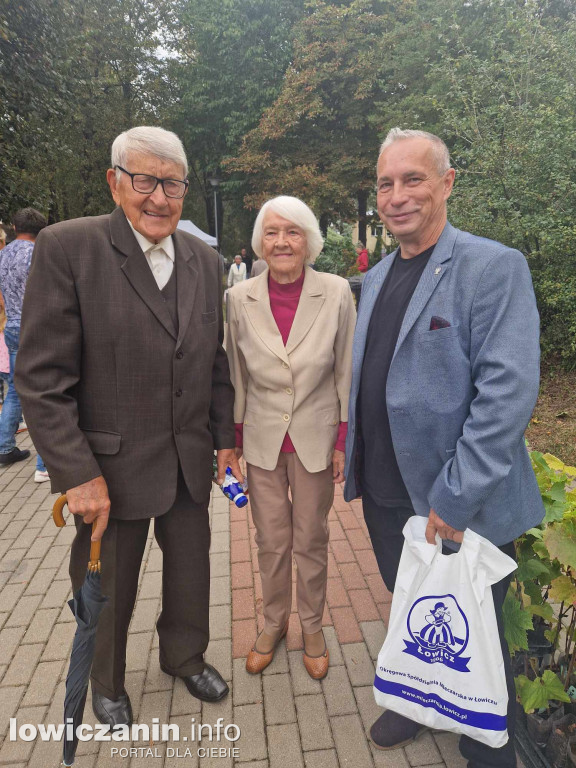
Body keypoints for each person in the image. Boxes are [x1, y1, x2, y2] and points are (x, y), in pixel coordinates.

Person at [16, 126, 242, 727]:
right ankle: (105, 678)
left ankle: (184, 656)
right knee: (107, 585)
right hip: (107, 471)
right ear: (115, 182)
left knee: (192, 572)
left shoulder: (205, 260)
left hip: (188, 460)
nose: (159, 198)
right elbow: (41, 380)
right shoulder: (70, 248)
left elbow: (213, 362)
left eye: (172, 184)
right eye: (144, 180)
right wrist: (76, 474)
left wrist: (225, 443)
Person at [344, 128, 544, 766]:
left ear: (447, 183)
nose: (397, 196)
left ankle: (487, 740)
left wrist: (454, 499)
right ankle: (415, 700)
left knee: (474, 628)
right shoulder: (374, 279)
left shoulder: (492, 267)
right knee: (409, 605)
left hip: (459, 500)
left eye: (413, 179)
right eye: (386, 183)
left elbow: (505, 396)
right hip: (385, 491)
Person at [226, 196, 356, 679]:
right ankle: (273, 622)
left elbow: (345, 369)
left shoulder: (337, 292)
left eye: (293, 232)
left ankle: (313, 626)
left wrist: (344, 440)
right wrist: (231, 441)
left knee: (311, 539)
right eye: (273, 232)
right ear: (261, 241)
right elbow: (235, 373)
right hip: (260, 441)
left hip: (315, 440)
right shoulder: (239, 299)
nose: (282, 242)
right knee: (272, 541)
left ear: (309, 240)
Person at [0, 208, 49, 480]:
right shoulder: (38, 254)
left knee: (17, 390)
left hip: (13, 326)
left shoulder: (2, 255)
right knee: (45, 389)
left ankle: (4, 446)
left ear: (15, 228)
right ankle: (44, 464)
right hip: (36, 325)